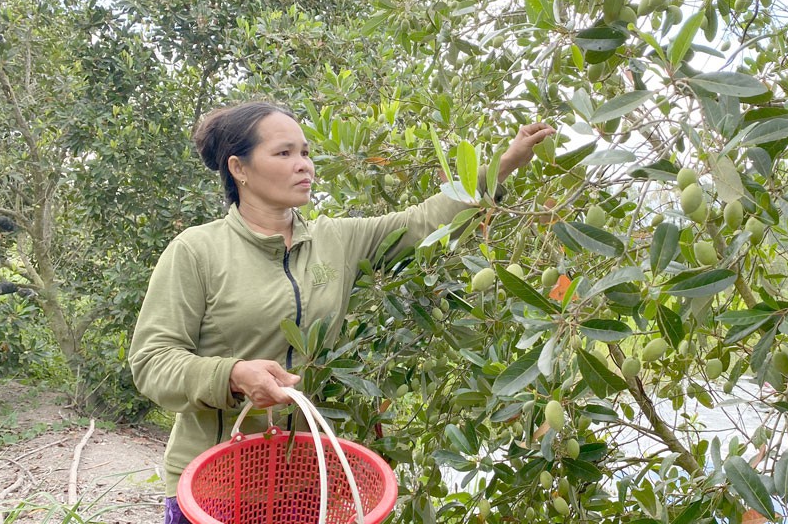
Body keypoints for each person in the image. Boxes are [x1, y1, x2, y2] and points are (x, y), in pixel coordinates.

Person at [128, 101, 554, 523]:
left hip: (302, 482)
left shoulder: (335, 240)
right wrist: (234, 375)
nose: (304, 166)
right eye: (284, 153)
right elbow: (152, 362)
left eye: (306, 153)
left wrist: (502, 165)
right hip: (214, 484)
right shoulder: (196, 251)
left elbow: (421, 222)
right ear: (239, 168)